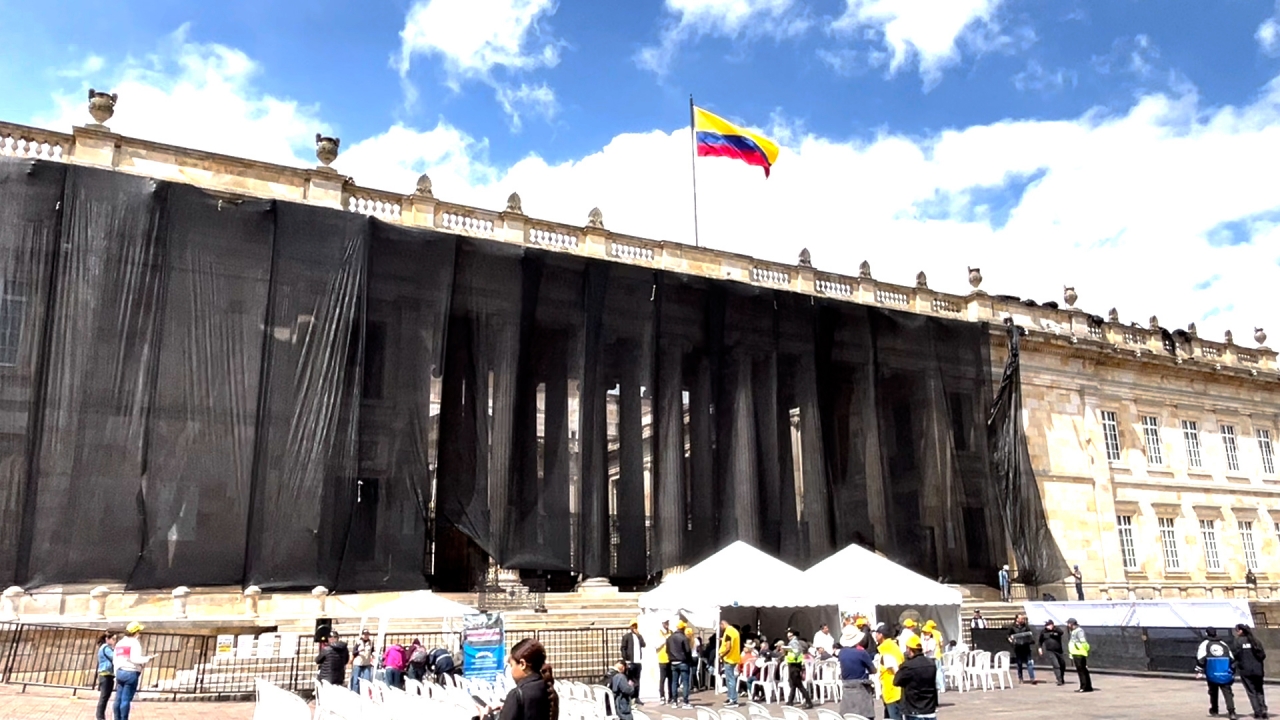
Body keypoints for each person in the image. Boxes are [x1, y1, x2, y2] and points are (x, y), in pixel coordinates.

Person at [498, 638, 557, 720]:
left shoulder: (517, 695)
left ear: (522, 664)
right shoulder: (549, 690)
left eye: (512, 665)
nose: (511, 671)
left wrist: (485, 716)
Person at [113, 622, 152, 720]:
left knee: (118, 698)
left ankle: (116, 718)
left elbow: (115, 659)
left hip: (120, 671)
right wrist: (147, 659)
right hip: (130, 672)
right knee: (126, 699)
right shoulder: (134, 643)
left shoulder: (120, 643)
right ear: (136, 632)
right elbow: (135, 658)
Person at [894, 635, 939, 720]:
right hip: (930, 708)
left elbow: (896, 681)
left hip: (913, 708)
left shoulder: (908, 666)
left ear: (910, 650)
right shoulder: (931, 663)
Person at [1198, 627, 1239, 719]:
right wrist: (1231, 671)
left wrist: (1199, 670)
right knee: (1227, 692)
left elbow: (1201, 658)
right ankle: (1232, 712)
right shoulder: (1223, 644)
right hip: (1224, 673)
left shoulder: (1205, 644)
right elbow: (1231, 658)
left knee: (1213, 692)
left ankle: (1215, 710)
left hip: (1212, 672)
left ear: (1206, 633)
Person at [837, 625, 876, 718]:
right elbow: (873, 670)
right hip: (861, 687)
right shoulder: (861, 653)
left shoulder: (841, 653)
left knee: (848, 715)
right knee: (866, 715)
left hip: (847, 687)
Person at [1232, 624, 1268, 719]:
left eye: (1237, 630)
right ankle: (1263, 708)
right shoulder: (1255, 641)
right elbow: (1262, 655)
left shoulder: (1238, 642)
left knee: (1251, 692)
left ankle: (1257, 712)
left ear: (1240, 631)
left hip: (1245, 670)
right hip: (1258, 669)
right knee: (1259, 690)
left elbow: (1235, 655)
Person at [874, 623, 906, 720]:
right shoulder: (893, 646)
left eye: (877, 633)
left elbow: (895, 669)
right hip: (896, 689)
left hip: (892, 689)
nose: (875, 636)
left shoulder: (887, 650)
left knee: (894, 717)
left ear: (881, 635)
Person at [784, 629, 813, 710]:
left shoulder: (793, 643)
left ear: (792, 634)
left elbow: (796, 653)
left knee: (799, 685)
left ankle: (808, 701)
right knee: (794, 685)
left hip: (794, 665)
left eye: (789, 633)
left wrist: (788, 651)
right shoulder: (796, 642)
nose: (787, 635)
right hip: (795, 665)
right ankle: (790, 701)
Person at [666, 621, 693, 708]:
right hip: (683, 662)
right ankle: (685, 702)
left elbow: (667, 650)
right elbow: (688, 651)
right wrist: (689, 660)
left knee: (674, 682)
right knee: (685, 682)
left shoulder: (669, 638)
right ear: (683, 628)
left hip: (673, 662)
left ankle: (674, 701)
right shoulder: (683, 638)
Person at [620, 620, 645, 704]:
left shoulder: (638, 636)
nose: (634, 627)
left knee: (637, 680)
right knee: (630, 680)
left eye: (636, 626)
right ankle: (629, 697)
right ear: (630, 627)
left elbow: (643, 644)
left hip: (638, 661)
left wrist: (639, 635)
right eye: (633, 626)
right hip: (630, 661)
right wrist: (626, 660)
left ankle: (636, 697)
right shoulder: (627, 636)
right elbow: (623, 648)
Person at [1007, 613, 1037, 684]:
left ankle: (1032, 678)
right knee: (1019, 663)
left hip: (1026, 646)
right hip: (1018, 647)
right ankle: (1020, 677)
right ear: (1017, 619)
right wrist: (1011, 640)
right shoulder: (1012, 627)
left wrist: (1030, 640)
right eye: (1021, 618)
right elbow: (1008, 636)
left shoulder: (1026, 626)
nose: (1022, 620)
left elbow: (1030, 634)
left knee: (1029, 663)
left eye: (1023, 619)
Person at [1066, 618, 1094, 693]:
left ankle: (1084, 687)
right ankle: (1087, 686)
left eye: (1069, 624)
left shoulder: (1079, 631)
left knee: (1082, 671)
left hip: (1079, 653)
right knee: (1083, 670)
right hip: (1076, 652)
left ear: (1072, 624)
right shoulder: (1074, 631)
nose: (1068, 625)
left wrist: (1081, 649)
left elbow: (1083, 642)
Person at [719, 619, 742, 709]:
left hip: (729, 658)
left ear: (723, 624)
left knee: (730, 680)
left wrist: (722, 656)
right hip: (734, 657)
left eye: (720, 626)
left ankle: (733, 699)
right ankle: (730, 697)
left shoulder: (728, 632)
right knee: (730, 679)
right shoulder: (734, 631)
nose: (720, 628)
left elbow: (728, 647)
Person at [95, 631, 117, 720]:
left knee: (105, 696)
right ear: (107, 639)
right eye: (113, 639)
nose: (115, 641)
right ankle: (100, 717)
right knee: (104, 697)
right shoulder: (106, 648)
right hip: (105, 675)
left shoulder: (106, 647)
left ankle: (100, 716)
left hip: (107, 674)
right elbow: (114, 657)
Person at [1038, 620, 1067, 686]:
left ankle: (1061, 677)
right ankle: (1059, 680)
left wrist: (1054, 629)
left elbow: (1061, 632)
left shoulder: (1056, 630)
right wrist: (1040, 648)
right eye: (1048, 625)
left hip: (1059, 650)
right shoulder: (1043, 632)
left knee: (1062, 664)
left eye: (1050, 625)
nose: (1049, 627)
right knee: (1056, 665)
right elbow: (1040, 641)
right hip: (1050, 651)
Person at [921, 620, 945, 695]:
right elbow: (941, 643)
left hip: (929, 655)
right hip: (937, 654)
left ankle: (935, 686)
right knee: (939, 671)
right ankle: (942, 686)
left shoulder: (923, 634)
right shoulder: (938, 633)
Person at [657, 620, 672, 705]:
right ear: (662, 624)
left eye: (667, 623)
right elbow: (656, 645)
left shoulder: (671, 632)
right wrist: (664, 639)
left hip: (670, 659)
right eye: (665, 623)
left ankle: (671, 697)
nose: (667, 624)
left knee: (671, 679)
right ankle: (662, 696)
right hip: (662, 659)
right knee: (662, 679)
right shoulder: (658, 633)